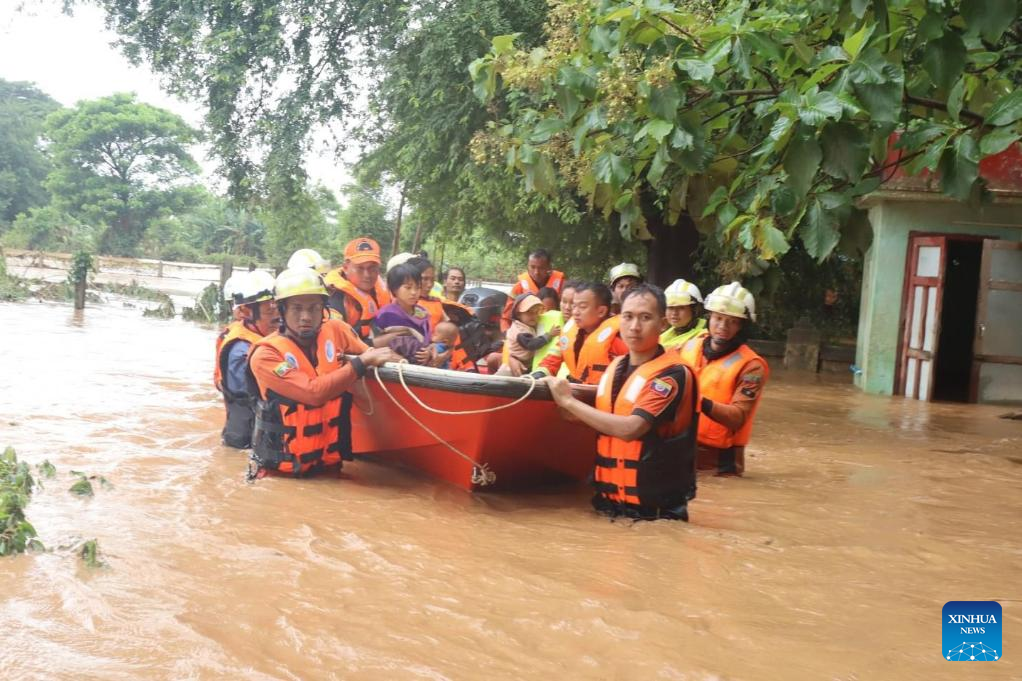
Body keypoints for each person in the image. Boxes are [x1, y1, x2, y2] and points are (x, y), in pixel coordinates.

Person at [546, 284, 698, 521]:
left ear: (662, 323)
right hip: (608, 504)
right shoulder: (616, 366)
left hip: (654, 514)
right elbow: (604, 419)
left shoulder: (672, 374)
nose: (634, 326)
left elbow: (630, 429)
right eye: (628, 317)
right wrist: (569, 412)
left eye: (645, 318)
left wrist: (568, 402)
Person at [247, 268, 398, 477]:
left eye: (314, 308)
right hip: (282, 475)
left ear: (323, 309)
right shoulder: (266, 355)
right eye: (297, 309)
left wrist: (401, 360)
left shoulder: (336, 330)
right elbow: (313, 393)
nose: (306, 317)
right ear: (281, 310)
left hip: (329, 467)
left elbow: (372, 353)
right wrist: (360, 364)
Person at [677, 282, 769, 476]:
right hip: (681, 449)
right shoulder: (689, 346)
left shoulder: (752, 366)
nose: (722, 327)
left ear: (742, 326)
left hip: (720, 462)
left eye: (732, 321)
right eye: (718, 318)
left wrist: (698, 401)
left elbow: (737, 417)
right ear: (709, 317)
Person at [214, 271, 279, 448]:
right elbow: (256, 393)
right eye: (269, 310)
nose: (277, 316)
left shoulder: (263, 336)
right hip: (245, 440)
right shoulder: (241, 349)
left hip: (261, 434)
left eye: (278, 307)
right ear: (245, 311)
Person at [534, 282, 626, 385]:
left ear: (601, 311)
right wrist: (539, 374)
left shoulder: (618, 340)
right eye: (575, 306)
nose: (575, 312)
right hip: (574, 390)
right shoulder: (570, 333)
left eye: (582, 307)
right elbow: (552, 360)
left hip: (600, 395)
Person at [374, 263, 445, 366]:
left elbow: (427, 341)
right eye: (408, 288)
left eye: (417, 288)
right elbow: (385, 344)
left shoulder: (422, 313)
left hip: (422, 367)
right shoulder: (387, 314)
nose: (414, 292)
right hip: (394, 369)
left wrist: (429, 351)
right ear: (394, 289)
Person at [323, 237, 392, 343]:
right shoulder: (334, 298)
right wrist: (375, 344)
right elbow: (335, 344)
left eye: (372, 268)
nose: (367, 275)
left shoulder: (381, 290)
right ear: (346, 268)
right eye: (360, 268)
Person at [501, 248, 566, 329]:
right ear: (528, 266)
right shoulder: (519, 287)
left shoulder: (562, 285)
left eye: (541, 268)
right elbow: (506, 318)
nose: (536, 272)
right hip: (527, 336)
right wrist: (507, 336)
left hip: (555, 332)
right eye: (532, 267)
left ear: (549, 267)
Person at [497, 294, 557, 376]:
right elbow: (531, 344)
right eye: (529, 312)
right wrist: (549, 335)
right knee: (500, 382)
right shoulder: (520, 331)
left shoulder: (528, 325)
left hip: (524, 364)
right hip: (514, 366)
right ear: (518, 314)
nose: (533, 316)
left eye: (536, 312)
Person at [532, 280, 578, 375]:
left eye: (573, 303)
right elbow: (516, 331)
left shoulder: (586, 329)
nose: (567, 307)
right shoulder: (545, 317)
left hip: (566, 385)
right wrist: (509, 359)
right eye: (564, 301)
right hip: (536, 379)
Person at [659, 279, 707, 350]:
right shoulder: (662, 337)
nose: (674, 313)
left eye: (681, 307)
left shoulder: (705, 335)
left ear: (695, 310)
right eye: (670, 307)